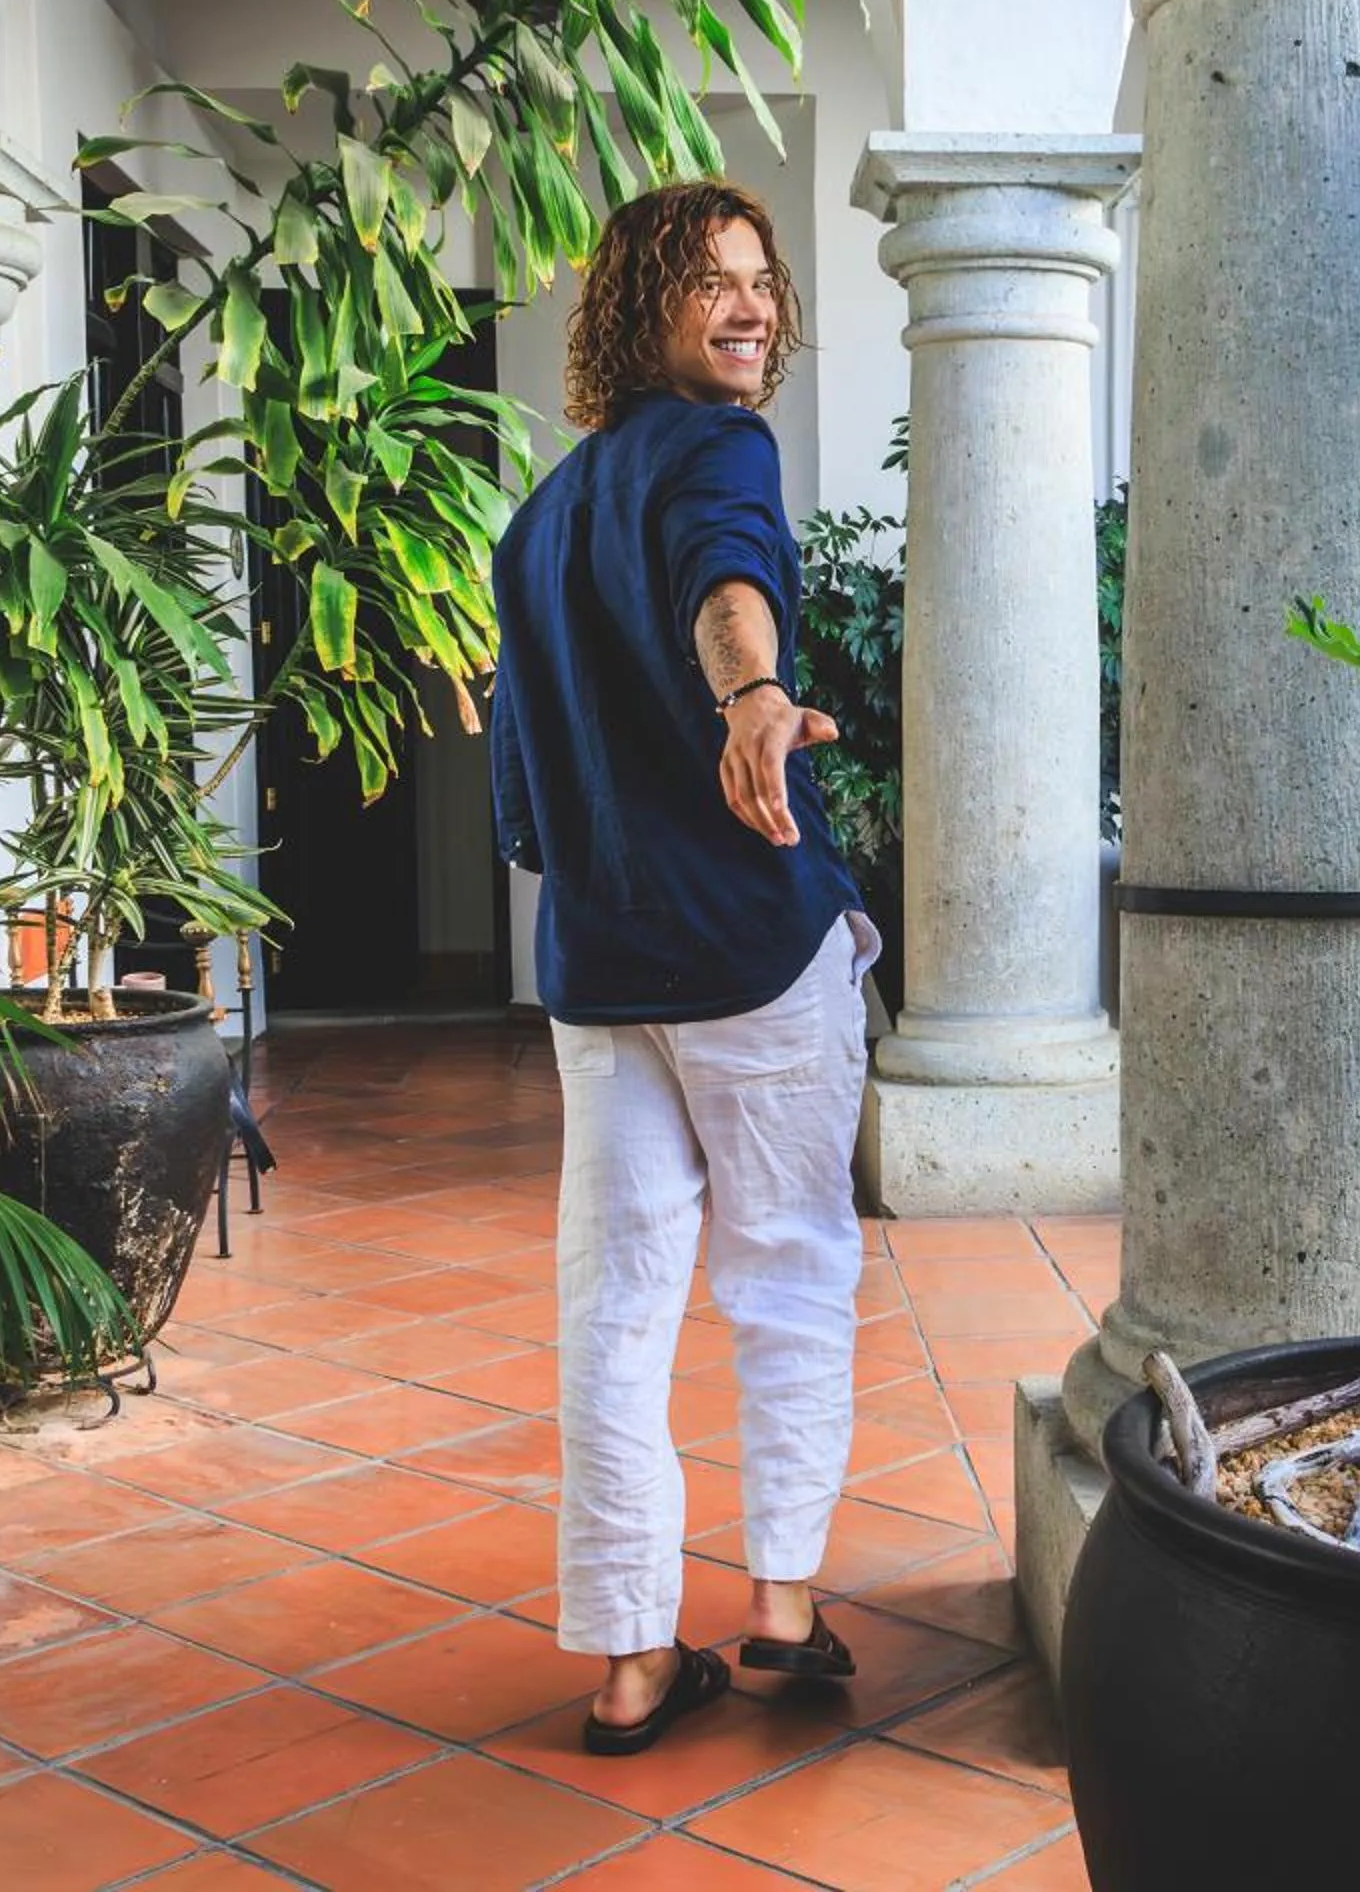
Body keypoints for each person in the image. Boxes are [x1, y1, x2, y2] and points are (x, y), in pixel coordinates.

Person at [489, 180, 876, 1756]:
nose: (752, 304)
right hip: (741, 950)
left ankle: (632, 1658)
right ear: (641, 302)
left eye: (762, 279)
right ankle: (780, 1615)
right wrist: (753, 701)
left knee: (618, 1303)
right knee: (787, 1274)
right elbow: (733, 581)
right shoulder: (722, 452)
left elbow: (522, 783)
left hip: (596, 968)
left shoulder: (544, 511)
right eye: (710, 280)